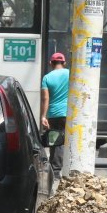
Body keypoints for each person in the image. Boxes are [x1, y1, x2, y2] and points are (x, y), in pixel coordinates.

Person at [39, 52, 70, 193]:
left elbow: (45, 98)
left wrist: (43, 116)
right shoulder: (71, 74)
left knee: (55, 142)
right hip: (69, 113)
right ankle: (64, 168)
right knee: (66, 140)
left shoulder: (47, 77)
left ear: (51, 63)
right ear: (64, 63)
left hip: (53, 114)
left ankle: (55, 170)